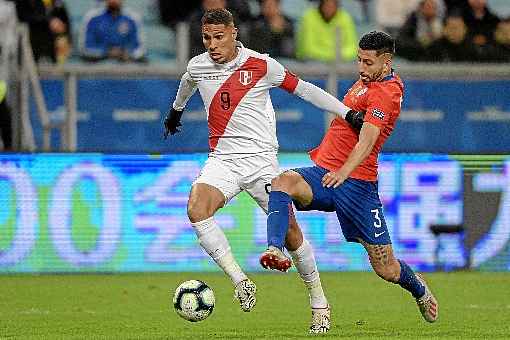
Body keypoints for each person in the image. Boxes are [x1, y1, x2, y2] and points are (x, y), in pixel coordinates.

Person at [163, 8, 363, 334]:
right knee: (196, 208)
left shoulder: (261, 65)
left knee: (293, 235)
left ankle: (319, 303)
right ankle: (240, 281)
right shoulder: (197, 66)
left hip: (261, 165)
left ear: (233, 34)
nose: (212, 45)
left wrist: (347, 113)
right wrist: (176, 112)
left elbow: (305, 89)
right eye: (206, 38)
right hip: (223, 161)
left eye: (219, 37)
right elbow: (187, 84)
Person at [260, 31, 439, 326]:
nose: (361, 68)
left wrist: (344, 171)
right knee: (282, 182)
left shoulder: (387, 92)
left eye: (368, 62)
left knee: (386, 269)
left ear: (386, 61)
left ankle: (419, 288)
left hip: (357, 186)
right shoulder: (367, 81)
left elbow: (368, 139)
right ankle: (274, 249)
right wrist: (334, 169)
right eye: (358, 60)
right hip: (325, 175)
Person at [80, 0, 145, 62]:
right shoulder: (92, 17)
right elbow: (85, 48)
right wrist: (107, 52)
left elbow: (140, 49)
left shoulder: (133, 18)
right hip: (97, 65)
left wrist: (125, 52)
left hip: (126, 65)